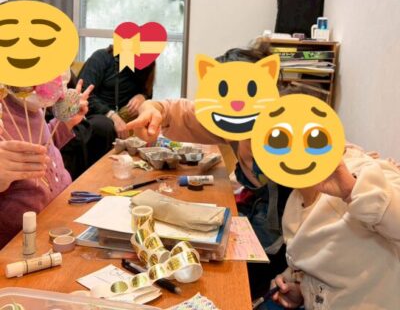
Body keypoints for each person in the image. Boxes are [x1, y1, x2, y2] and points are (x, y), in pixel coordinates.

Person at [125, 39, 293, 298]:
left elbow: (340, 160)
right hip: (257, 219)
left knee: (236, 286)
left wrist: (297, 274)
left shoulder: (286, 131)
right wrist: (153, 108)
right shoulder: (227, 119)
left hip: (288, 238)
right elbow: (179, 111)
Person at [270, 146, 400, 309]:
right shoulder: (295, 200)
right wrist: (300, 292)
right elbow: (323, 271)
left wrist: (351, 191)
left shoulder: (367, 173)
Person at [0, 80, 92, 248]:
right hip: (23, 246)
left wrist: (64, 123)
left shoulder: (33, 108)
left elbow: (40, 148)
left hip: (63, 217)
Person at [61, 45, 155, 179]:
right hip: (93, 114)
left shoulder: (146, 65)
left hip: (124, 118)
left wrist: (143, 96)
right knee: (104, 125)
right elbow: (83, 93)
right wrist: (112, 115)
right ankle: (94, 177)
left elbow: (148, 93)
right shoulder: (101, 58)